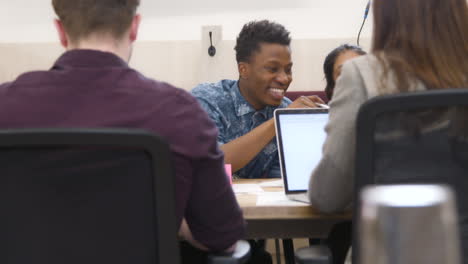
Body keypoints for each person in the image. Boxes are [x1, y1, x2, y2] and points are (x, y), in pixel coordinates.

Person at [0, 0, 245, 261]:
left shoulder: (5, 105)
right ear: (134, 28)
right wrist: (175, 217)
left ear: (60, 31)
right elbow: (223, 236)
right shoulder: (179, 113)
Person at [308, 0, 468, 211]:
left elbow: (327, 196)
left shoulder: (361, 74)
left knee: (314, 247)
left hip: (393, 240)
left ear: (385, 12)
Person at [192, 20, 323, 180]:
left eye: (288, 70)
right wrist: (278, 121)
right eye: (272, 69)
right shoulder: (207, 100)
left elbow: (284, 180)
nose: (284, 78)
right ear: (243, 70)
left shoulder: (287, 110)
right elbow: (210, 164)